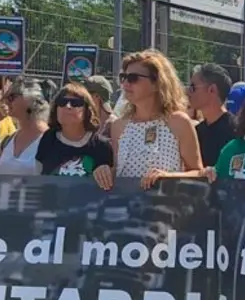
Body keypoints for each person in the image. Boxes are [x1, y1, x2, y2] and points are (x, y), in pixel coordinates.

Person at [111, 49, 203, 195]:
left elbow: (198, 173)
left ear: (156, 83)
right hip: (128, 206)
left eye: (133, 78)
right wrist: (104, 171)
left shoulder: (178, 122)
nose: (126, 83)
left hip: (164, 204)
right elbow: (119, 172)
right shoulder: (118, 126)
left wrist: (169, 178)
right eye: (123, 77)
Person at [35, 82, 114, 185]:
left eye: (75, 103)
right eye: (62, 102)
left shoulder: (102, 146)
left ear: (87, 110)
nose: (68, 106)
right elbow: (39, 180)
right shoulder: (48, 139)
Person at [0, 81, 49, 176]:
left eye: (11, 97)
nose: (6, 102)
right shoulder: (8, 140)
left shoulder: (51, 141)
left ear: (31, 99)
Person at [190, 64, 236, 167]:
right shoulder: (196, 132)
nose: (188, 92)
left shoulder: (236, 131)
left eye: (193, 87)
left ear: (212, 89)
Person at [82, 75, 116, 143]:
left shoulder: (114, 124)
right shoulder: (91, 122)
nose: (82, 97)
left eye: (85, 94)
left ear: (97, 96)